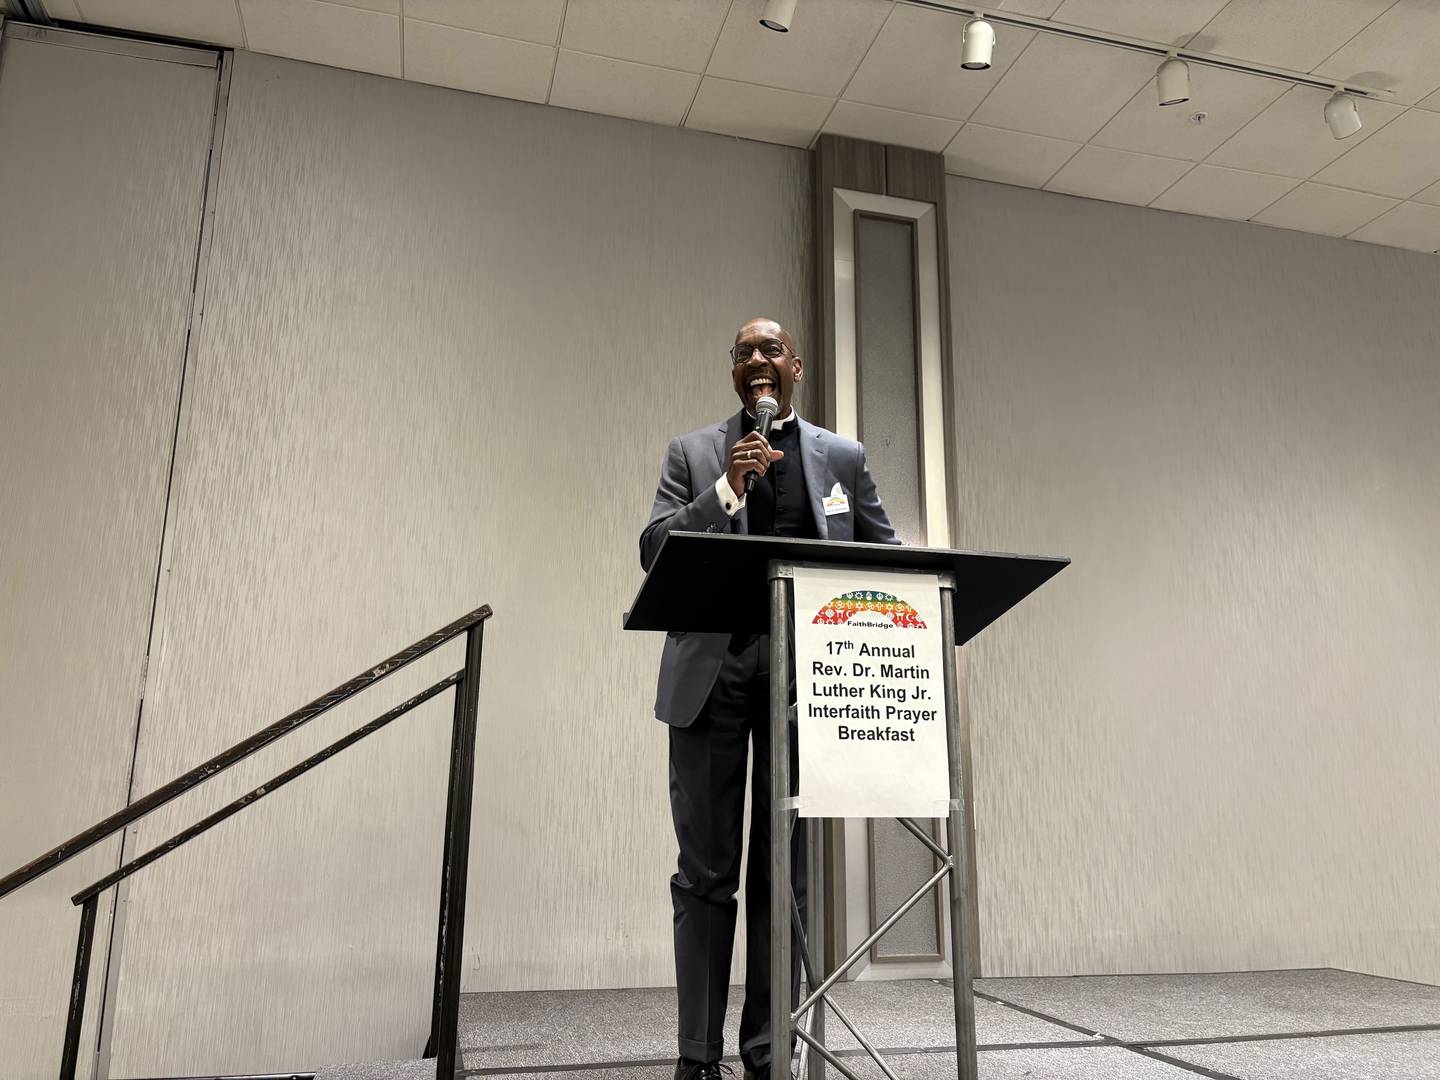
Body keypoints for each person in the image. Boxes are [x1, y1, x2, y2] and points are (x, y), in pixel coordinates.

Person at [640, 317, 898, 1080]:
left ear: (796, 368)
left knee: (784, 875)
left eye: (770, 350)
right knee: (705, 873)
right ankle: (697, 1058)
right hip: (710, 676)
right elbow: (654, 551)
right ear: (735, 375)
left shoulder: (842, 457)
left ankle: (768, 1053)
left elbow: (887, 557)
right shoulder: (693, 454)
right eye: (744, 352)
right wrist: (726, 488)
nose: (757, 360)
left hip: (803, 682)